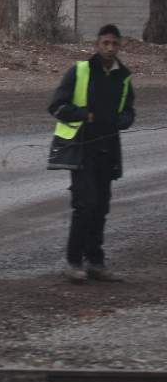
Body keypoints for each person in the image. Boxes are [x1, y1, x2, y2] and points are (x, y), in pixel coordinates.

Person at [47, 24, 135, 283]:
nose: (109, 48)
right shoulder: (80, 71)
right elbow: (56, 106)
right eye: (105, 43)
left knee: (101, 208)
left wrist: (123, 120)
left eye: (114, 44)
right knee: (85, 205)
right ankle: (74, 262)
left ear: (119, 46)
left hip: (108, 151)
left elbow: (129, 111)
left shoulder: (124, 77)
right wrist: (84, 115)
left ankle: (96, 262)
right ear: (96, 45)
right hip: (82, 149)